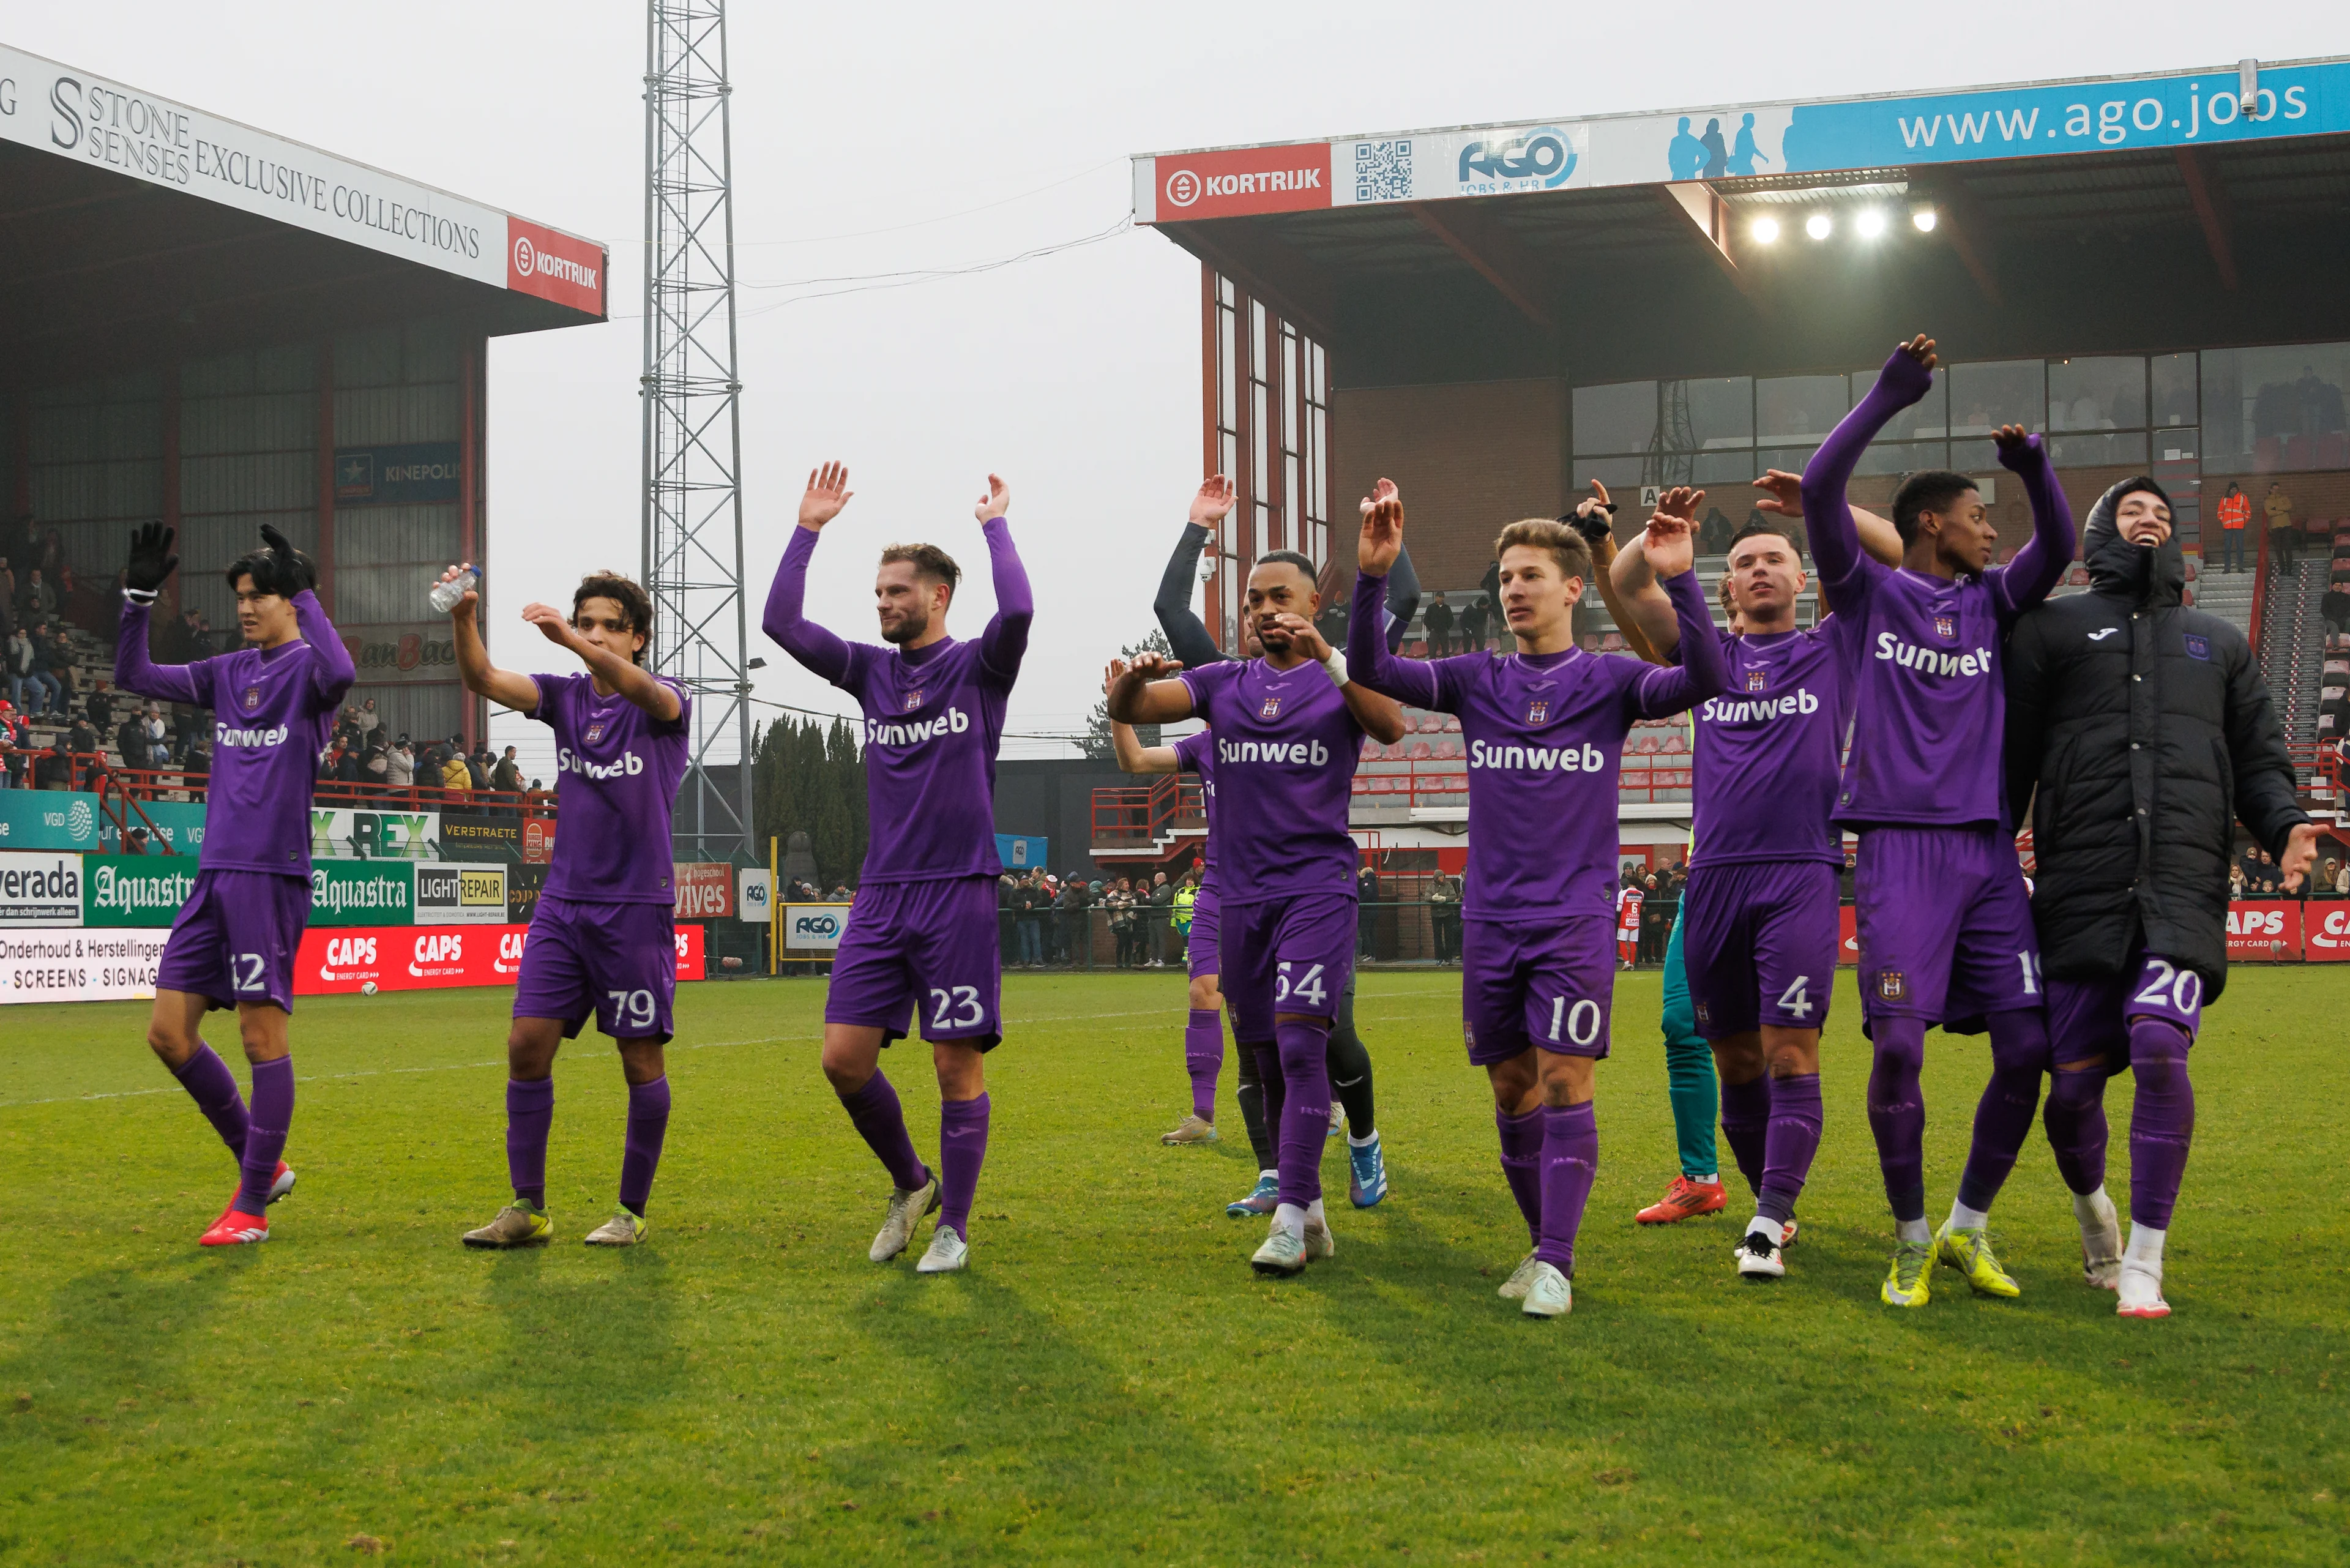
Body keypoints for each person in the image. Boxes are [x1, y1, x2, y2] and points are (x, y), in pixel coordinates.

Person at [1349, 478, 1726, 1318]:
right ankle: (1540, 1245)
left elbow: (1709, 674)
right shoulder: (1476, 677)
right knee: (1511, 1089)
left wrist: (1682, 577)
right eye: (1505, 577)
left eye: (1529, 576)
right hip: (1490, 920)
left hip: (1572, 919)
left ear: (1572, 588)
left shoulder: (1612, 683)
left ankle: (1557, 1259)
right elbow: (1371, 669)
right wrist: (1373, 574)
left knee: (1563, 1081)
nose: (1513, 589)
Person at [1798, 334, 2075, 1309]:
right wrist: (1885, 396)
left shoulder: (1993, 603)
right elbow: (1822, 490)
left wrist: (2035, 469)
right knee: (1901, 1049)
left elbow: (2061, 546)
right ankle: (1909, 1238)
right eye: (1975, 516)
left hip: (1991, 851)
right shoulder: (1868, 593)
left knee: (2030, 1049)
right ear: (1929, 523)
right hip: (1899, 850)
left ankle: (1967, 1226)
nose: (1991, 531)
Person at [2005, 476, 2316, 1318]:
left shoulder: (2219, 643)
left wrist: (2284, 821)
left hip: (2182, 889)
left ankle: (2146, 1256)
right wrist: (1984, 851)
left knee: (2157, 1045)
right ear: (2100, 534)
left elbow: (2258, 759)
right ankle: (2092, 1212)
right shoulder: (2049, 630)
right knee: (2069, 1096)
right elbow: (2011, 760)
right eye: (2131, 514)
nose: (2150, 523)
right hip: (2079, 891)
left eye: (2163, 517)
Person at [1609, 471, 1903, 1274]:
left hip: (1801, 872)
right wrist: (1657, 533)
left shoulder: (1833, 645)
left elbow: (1898, 551)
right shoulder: (1706, 651)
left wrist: (1826, 504)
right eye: (1745, 561)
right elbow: (1628, 581)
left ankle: (1767, 1222)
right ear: (1726, 582)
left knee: (1790, 1055)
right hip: (1712, 880)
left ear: (1804, 579)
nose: (1762, 568)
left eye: (1778, 557)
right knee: (1735, 1061)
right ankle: (1772, 1201)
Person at [1110, 533, 1408, 1275]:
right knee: (1269, 1056)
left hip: (1316, 889)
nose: (1266, 610)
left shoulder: (1341, 680)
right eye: (1254, 601)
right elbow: (1138, 711)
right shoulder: (1222, 683)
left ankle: (1289, 1216)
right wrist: (1127, 686)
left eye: (1281, 597)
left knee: (1307, 1042)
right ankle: (1305, 1209)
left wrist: (1331, 658)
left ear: (1314, 604)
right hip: (1239, 898)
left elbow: (1393, 726)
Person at [763, 461, 1031, 1275]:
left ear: (938, 595)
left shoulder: (979, 667)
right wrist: (808, 529)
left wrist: (995, 524)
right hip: (882, 894)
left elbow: (1018, 607)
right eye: (878, 592)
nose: (883, 603)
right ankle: (912, 1183)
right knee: (843, 1059)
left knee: (956, 1060)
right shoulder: (870, 672)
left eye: (898, 592)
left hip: (958, 891)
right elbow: (781, 622)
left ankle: (955, 1225)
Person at [114, 520, 353, 1247]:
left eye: (263, 595)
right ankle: (265, 1163)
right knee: (167, 1034)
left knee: (259, 1037)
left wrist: (307, 589)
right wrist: (136, 600)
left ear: (292, 601)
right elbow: (134, 677)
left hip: (269, 877)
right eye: (243, 597)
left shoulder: (310, 676)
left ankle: (249, 1207)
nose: (248, 607)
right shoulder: (229, 673)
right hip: (213, 876)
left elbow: (341, 672)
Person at [447, 566, 688, 1250]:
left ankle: (632, 1212)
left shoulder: (665, 702)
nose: (597, 635)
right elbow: (485, 681)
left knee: (639, 1060)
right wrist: (463, 618)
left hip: (635, 908)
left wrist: (576, 647)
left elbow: (649, 693)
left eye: (612, 626)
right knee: (526, 1047)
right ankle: (527, 1208)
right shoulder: (563, 698)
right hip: (564, 906)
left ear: (639, 638)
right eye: (587, 624)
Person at [2214, 481, 2249, 573]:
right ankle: (2227, 568)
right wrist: (2224, 522)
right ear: (2229, 490)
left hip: (2239, 527)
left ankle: (2240, 567)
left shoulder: (2243, 498)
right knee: (2227, 548)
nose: (2234, 491)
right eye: (2233, 489)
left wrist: (2243, 522)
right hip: (2228, 528)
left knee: (2240, 547)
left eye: (2236, 489)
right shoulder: (2224, 499)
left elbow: (2248, 512)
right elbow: (2220, 513)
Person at [2263, 482, 2296, 574]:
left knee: (2288, 547)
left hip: (2286, 525)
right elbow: (2269, 513)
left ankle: (2289, 568)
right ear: (2270, 490)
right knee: (2278, 548)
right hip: (2275, 526)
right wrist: (2282, 511)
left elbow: (2289, 507)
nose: (2276, 491)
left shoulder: (2284, 498)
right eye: (2274, 489)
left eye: (2278, 489)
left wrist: (2276, 508)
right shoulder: (2267, 501)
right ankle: (2282, 568)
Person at [1423, 592, 1454, 658]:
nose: (1442, 599)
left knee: (1446, 651)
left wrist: (1447, 628)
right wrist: (1431, 628)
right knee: (1433, 651)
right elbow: (1426, 620)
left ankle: (1445, 665)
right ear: (1436, 598)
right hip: (1434, 632)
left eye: (1443, 597)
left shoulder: (1447, 608)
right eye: (1440, 597)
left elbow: (1451, 619)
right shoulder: (1431, 607)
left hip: (1444, 632)